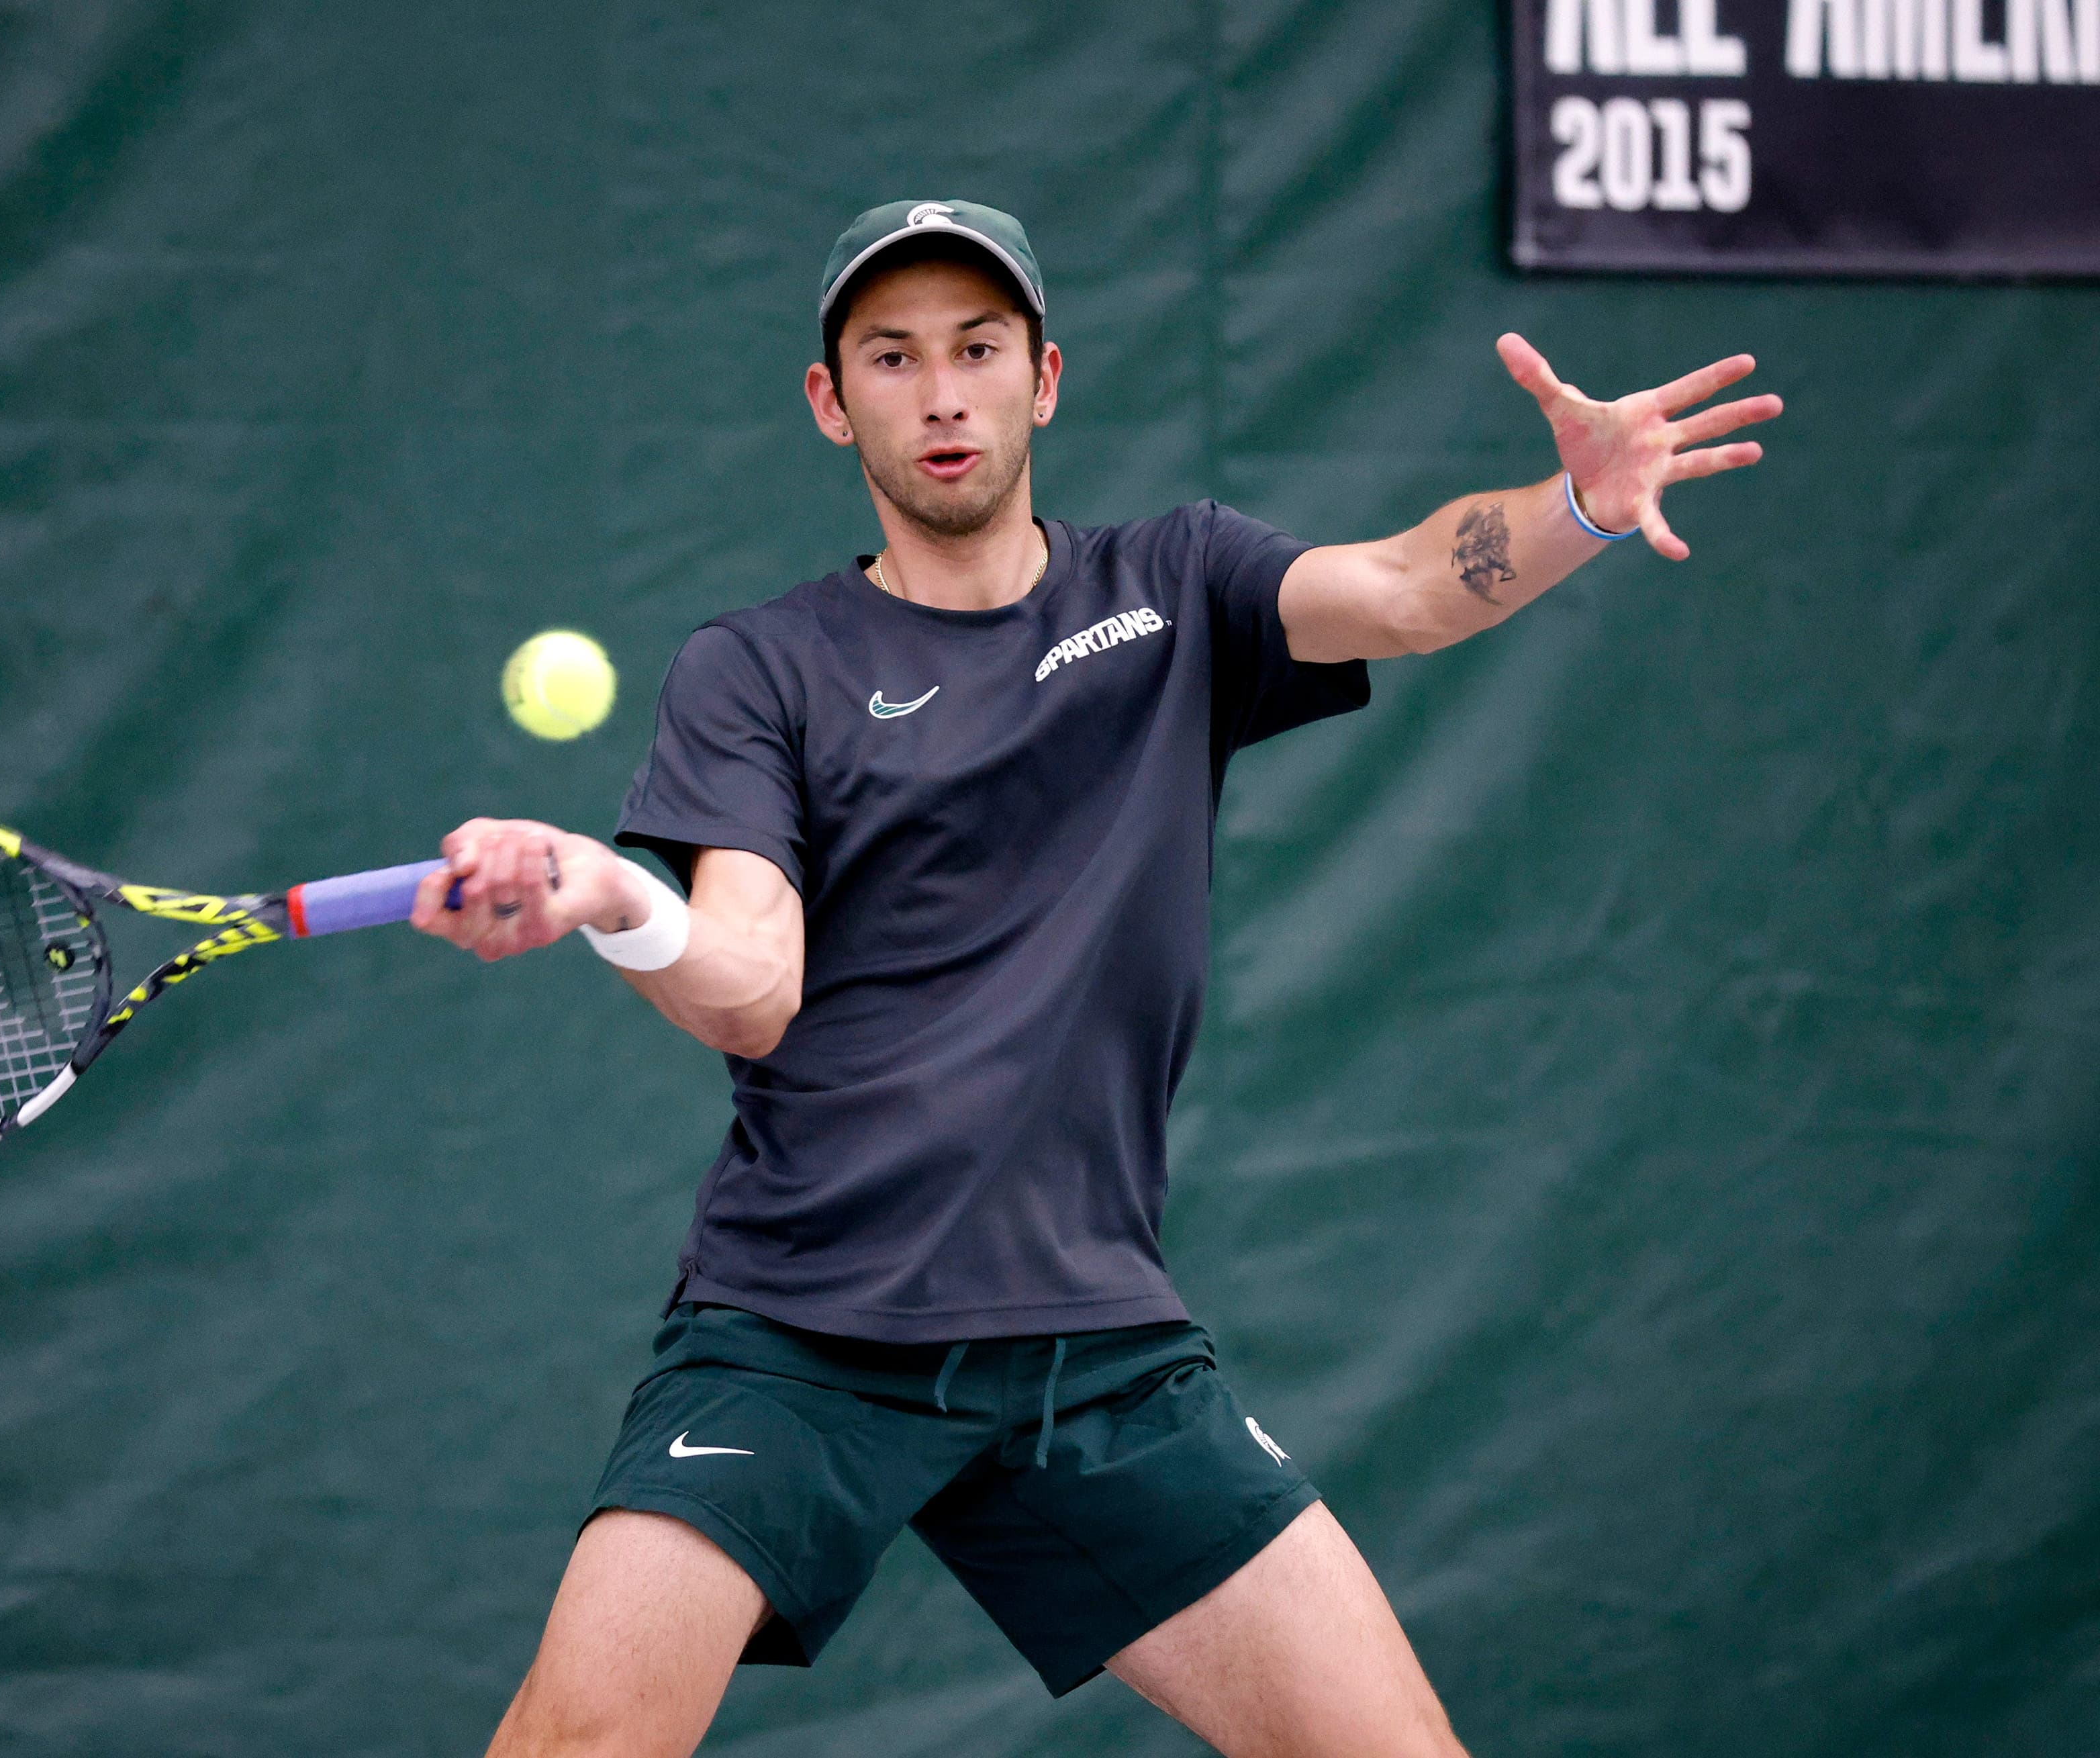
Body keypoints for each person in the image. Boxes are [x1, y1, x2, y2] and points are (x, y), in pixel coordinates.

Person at [411, 199, 1780, 1758]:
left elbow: (1405, 588)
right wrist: (608, 892)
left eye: (979, 351)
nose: (942, 394)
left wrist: (1576, 510)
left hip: (1094, 1349)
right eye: (894, 356)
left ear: (1045, 378)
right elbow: (746, 984)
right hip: (800, 1332)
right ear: (829, 398)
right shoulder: (758, 669)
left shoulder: (1178, 587)